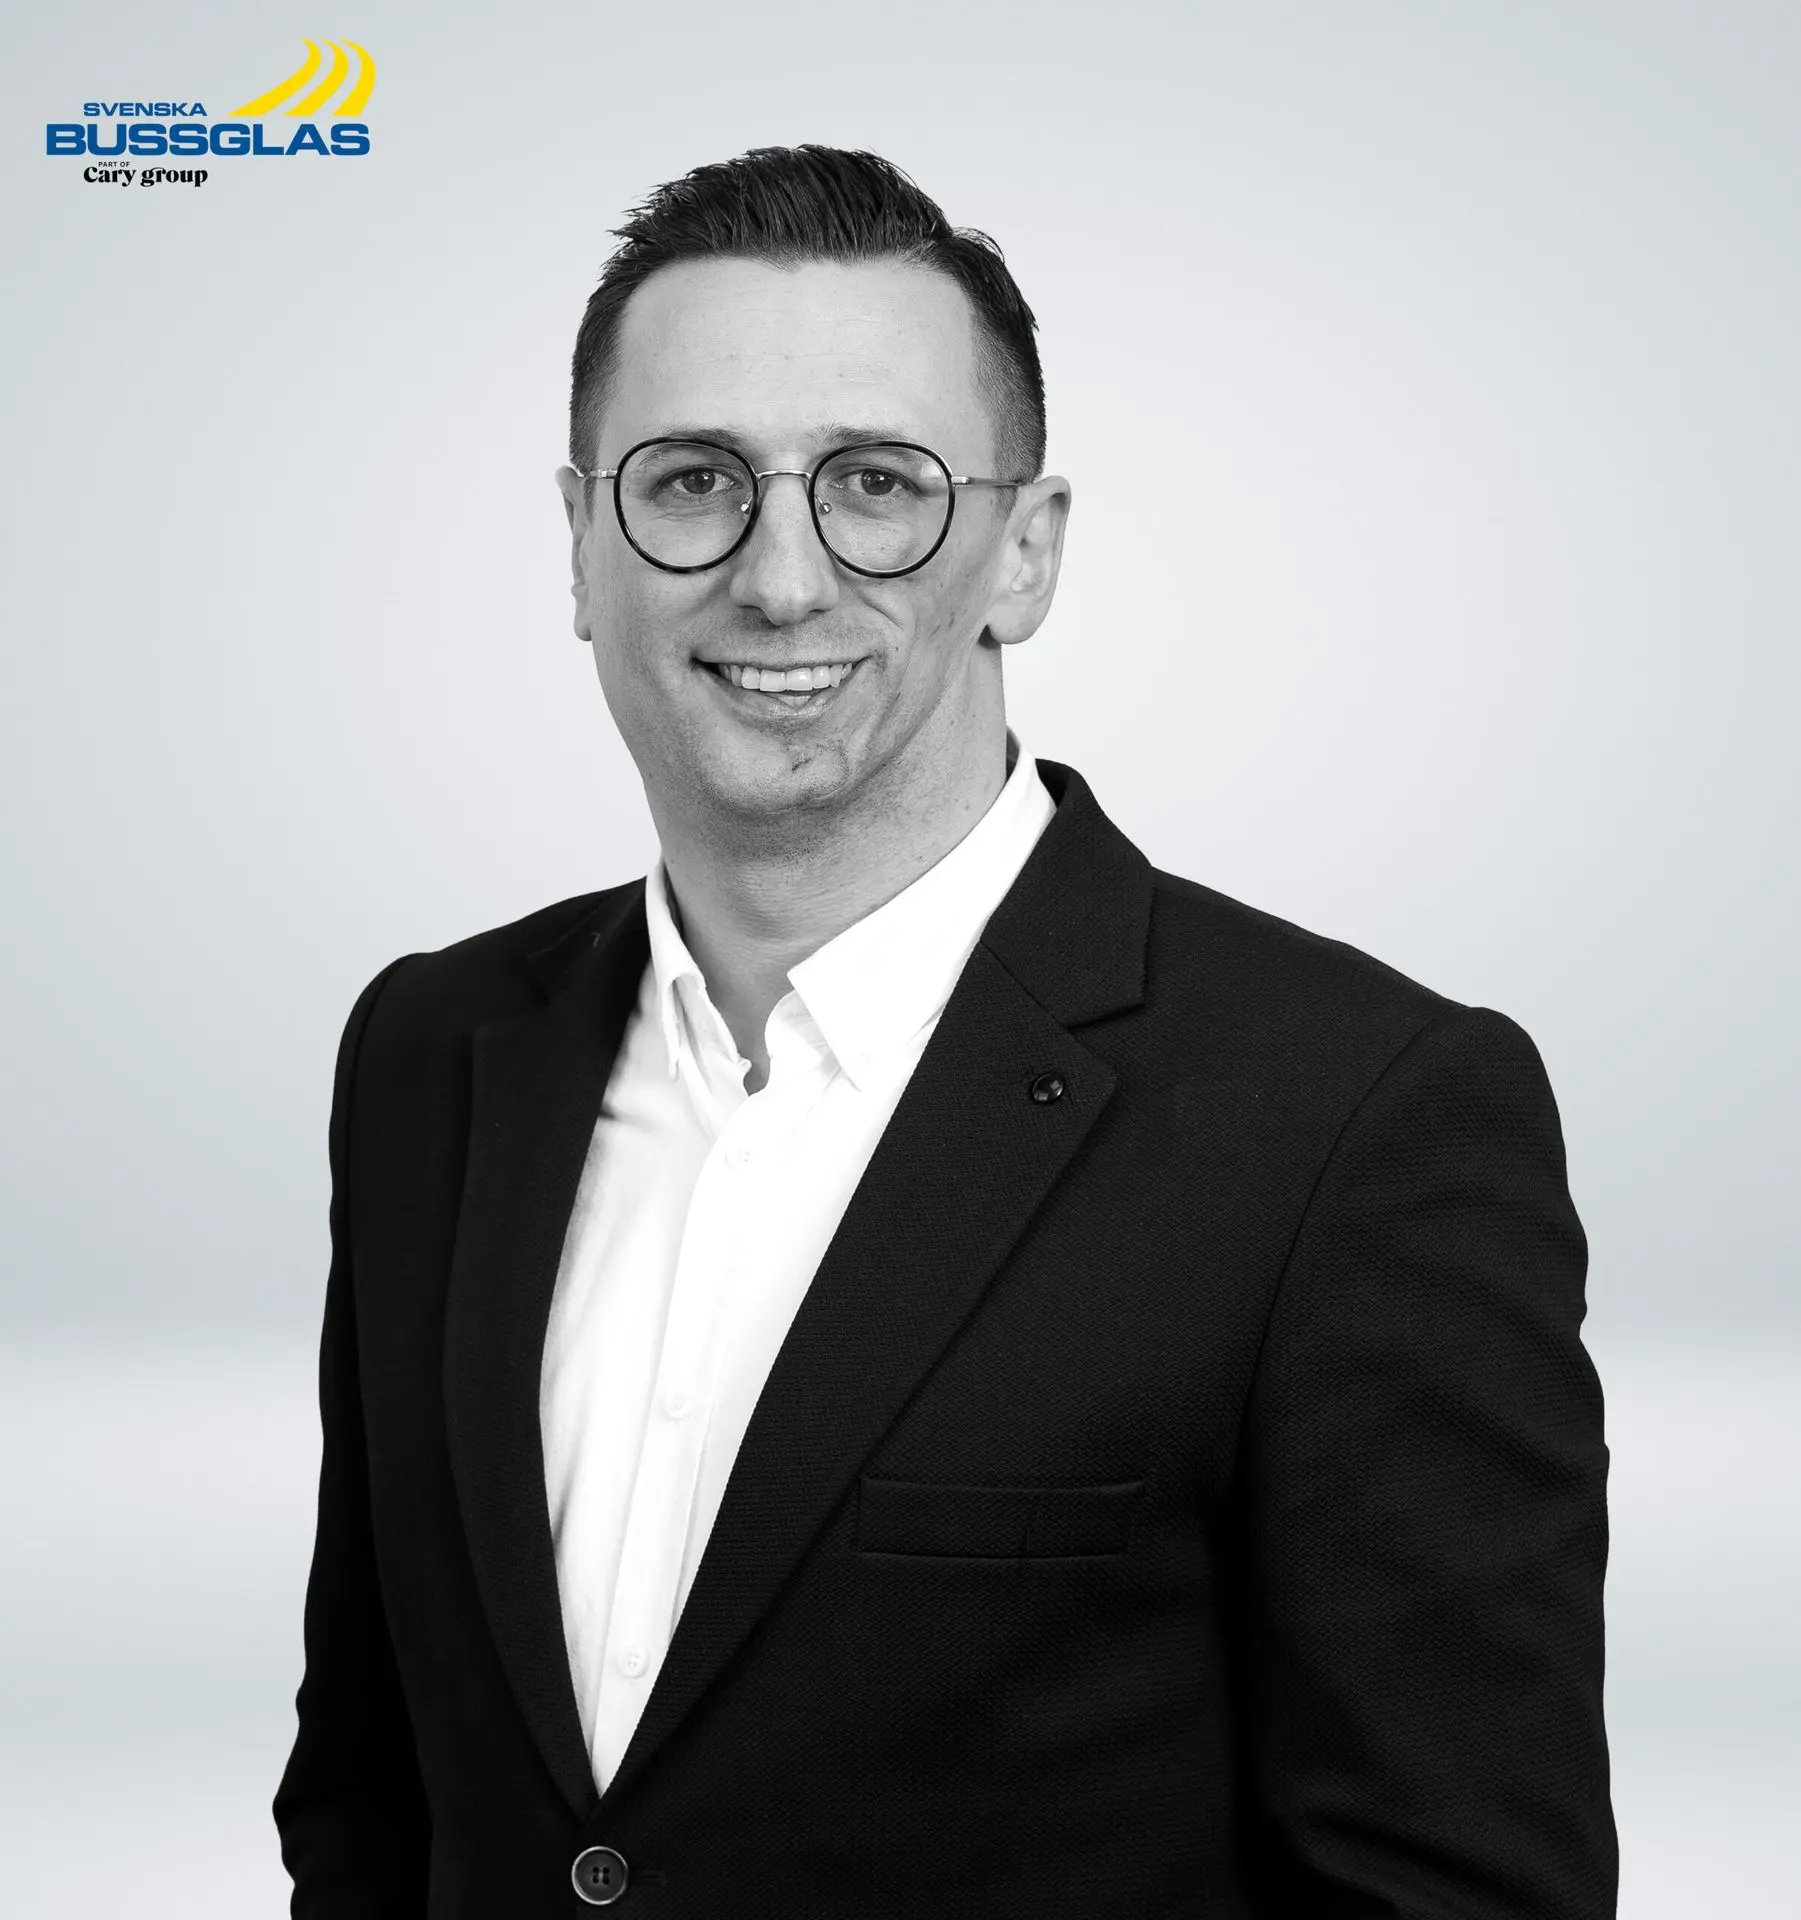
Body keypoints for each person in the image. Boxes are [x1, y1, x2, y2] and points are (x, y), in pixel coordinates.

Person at [273, 145, 1616, 1918]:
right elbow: (371, 1801)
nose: (781, 579)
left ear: (1024, 553)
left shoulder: (1360, 1122)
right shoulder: (430, 1055)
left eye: (877, 486)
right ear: (583, 548)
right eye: (693, 482)